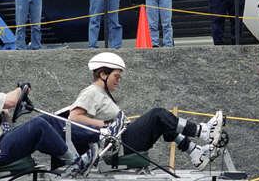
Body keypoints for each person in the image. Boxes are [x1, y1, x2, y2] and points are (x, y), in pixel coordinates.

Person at [66, 52, 225, 171]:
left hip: (122, 140)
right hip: (118, 144)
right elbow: (74, 117)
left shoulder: (101, 93)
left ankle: (195, 152)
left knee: (164, 123)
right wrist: (105, 124)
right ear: (102, 74)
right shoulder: (91, 92)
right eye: (116, 76)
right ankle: (203, 132)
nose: (119, 81)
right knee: (158, 114)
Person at [0, 55, 109, 173]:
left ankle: (100, 134)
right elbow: (10, 101)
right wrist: (22, 88)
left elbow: (6, 110)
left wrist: (6, 106)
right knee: (39, 125)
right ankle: (76, 162)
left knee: (46, 119)